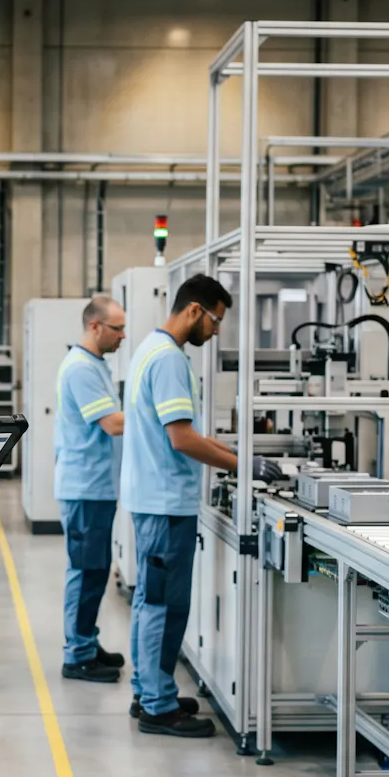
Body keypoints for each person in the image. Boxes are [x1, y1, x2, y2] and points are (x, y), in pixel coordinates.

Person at [121, 275, 283, 737]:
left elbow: (186, 430)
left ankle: (147, 690)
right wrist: (242, 466)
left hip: (152, 498)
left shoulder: (148, 349)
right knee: (163, 606)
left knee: (149, 602)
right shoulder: (170, 359)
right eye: (215, 321)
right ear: (195, 310)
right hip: (165, 503)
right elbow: (182, 438)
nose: (215, 332)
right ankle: (156, 704)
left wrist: (239, 456)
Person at [55, 294, 129, 684]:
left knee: (96, 570)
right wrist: (159, 416)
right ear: (94, 326)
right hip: (85, 488)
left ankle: (86, 641)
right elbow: (112, 424)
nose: (122, 336)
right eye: (117, 328)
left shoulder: (95, 364)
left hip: (97, 487)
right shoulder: (81, 368)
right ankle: (78, 655)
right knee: (86, 572)